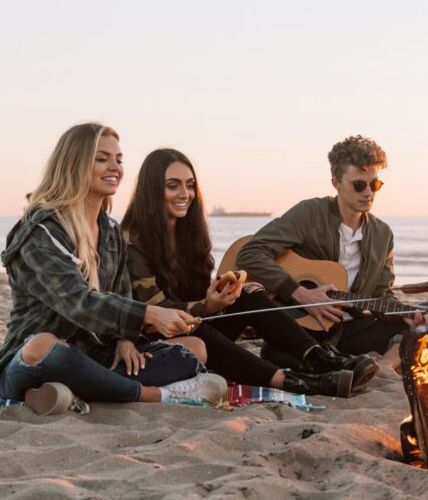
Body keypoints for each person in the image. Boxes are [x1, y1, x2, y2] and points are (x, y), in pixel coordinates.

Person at [0, 123, 227, 415]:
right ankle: (153, 395)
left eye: (118, 159)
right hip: (34, 359)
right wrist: (150, 314)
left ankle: (73, 392)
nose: (115, 167)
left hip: (95, 355)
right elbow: (77, 302)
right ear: (75, 164)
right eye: (102, 159)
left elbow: (121, 293)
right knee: (45, 346)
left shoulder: (111, 231)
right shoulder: (40, 231)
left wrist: (125, 339)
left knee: (194, 349)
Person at [122, 148, 377, 397]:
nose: (185, 193)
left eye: (190, 185)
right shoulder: (134, 240)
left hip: (199, 329)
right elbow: (156, 310)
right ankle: (292, 381)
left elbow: (199, 297)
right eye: (173, 185)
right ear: (152, 190)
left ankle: (320, 357)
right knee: (195, 326)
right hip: (160, 343)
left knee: (249, 295)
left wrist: (226, 298)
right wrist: (206, 306)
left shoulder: (188, 237)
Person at [236, 135, 428, 373]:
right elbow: (250, 254)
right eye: (359, 184)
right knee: (275, 353)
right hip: (303, 325)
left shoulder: (382, 234)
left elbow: (382, 294)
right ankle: (335, 360)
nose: (368, 192)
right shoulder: (310, 213)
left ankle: (385, 366)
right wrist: (301, 293)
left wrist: (403, 314)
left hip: (351, 329)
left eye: (375, 184)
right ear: (336, 183)